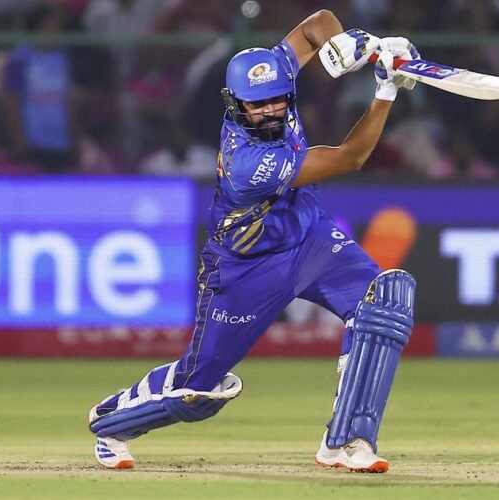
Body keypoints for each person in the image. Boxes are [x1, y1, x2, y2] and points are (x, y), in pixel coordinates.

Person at [87, 10, 419, 473]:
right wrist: (385, 90)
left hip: (309, 239)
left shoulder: (276, 71)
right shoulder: (247, 163)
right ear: (234, 103)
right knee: (199, 390)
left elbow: (316, 24)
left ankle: (347, 440)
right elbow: (350, 158)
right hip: (246, 268)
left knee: (386, 298)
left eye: (277, 100)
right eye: (256, 105)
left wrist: (350, 46)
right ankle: (112, 423)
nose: (269, 111)